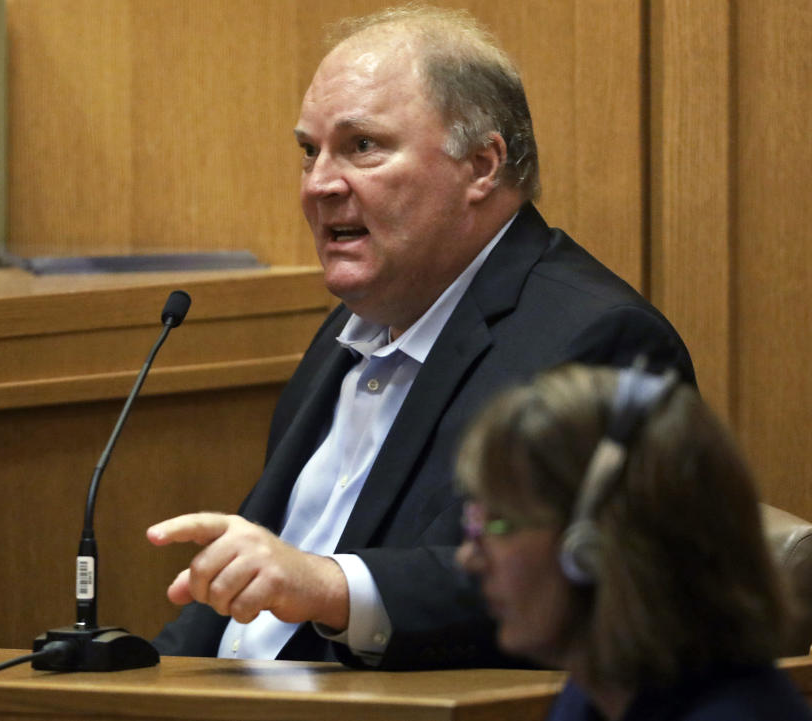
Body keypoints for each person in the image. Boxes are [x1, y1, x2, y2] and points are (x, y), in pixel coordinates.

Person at [147, 4, 695, 669]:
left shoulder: (599, 339)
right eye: (308, 151)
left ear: (482, 165)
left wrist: (328, 585)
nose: (319, 183)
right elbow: (249, 597)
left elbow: (562, 580)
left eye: (362, 146)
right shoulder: (344, 337)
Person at [456, 363, 812, 720]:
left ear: (591, 548)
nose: (467, 558)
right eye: (473, 525)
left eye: (500, 525)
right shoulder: (593, 697)